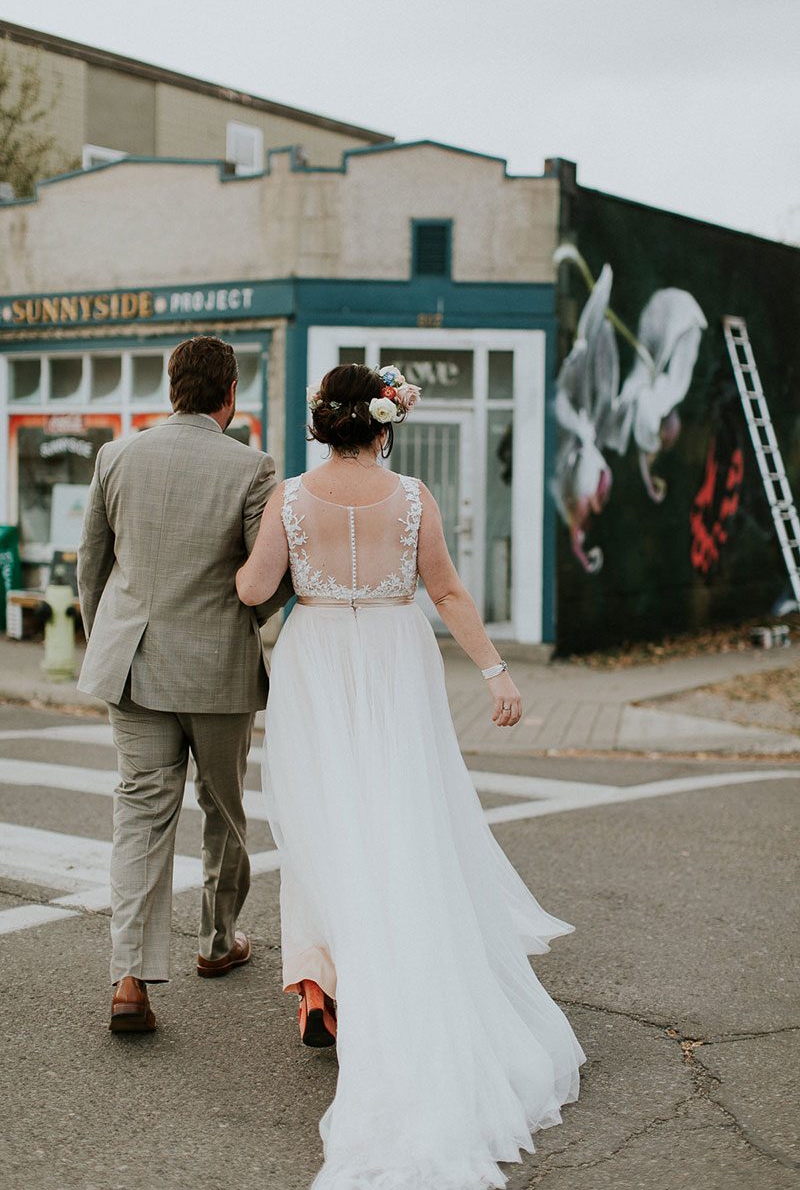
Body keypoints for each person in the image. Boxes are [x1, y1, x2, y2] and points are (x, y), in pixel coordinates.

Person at [237, 363, 585, 1190]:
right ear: (384, 425)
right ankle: (374, 973)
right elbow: (448, 590)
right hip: (395, 658)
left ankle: (318, 988)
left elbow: (253, 587)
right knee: (398, 820)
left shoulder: (288, 496)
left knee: (324, 823)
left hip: (317, 659)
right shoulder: (414, 496)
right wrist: (497, 672)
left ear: (324, 424)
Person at [77, 335, 291, 1032]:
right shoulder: (254, 467)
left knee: (139, 818)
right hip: (220, 672)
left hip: (133, 662)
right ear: (230, 394)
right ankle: (217, 941)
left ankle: (130, 979)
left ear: (173, 387)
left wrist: (107, 636)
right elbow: (264, 588)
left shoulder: (117, 454)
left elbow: (92, 567)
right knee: (225, 811)